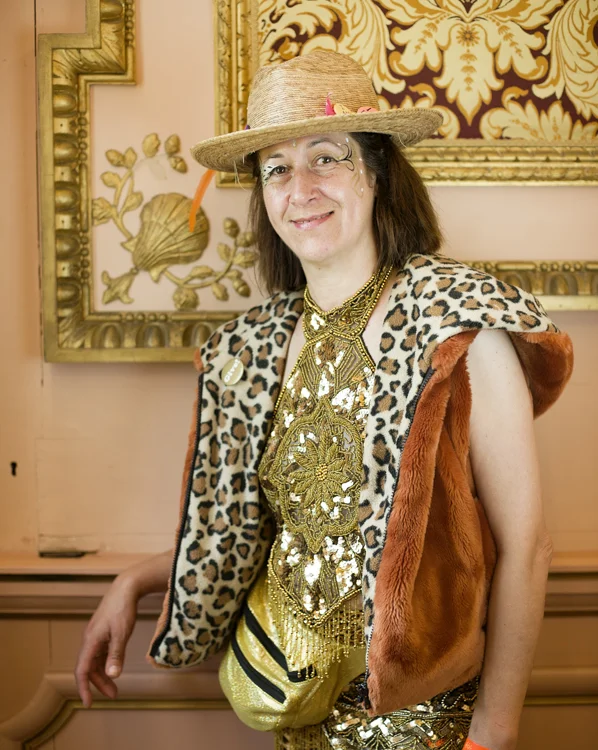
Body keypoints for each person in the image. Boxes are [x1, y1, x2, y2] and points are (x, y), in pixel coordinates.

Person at [75, 51, 574, 750]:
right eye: (277, 169)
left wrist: (493, 735)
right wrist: (136, 579)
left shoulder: (457, 326)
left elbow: (527, 546)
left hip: (431, 727)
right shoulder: (252, 350)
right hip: (299, 724)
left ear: (376, 171)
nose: (300, 188)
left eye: (326, 158)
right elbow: (287, 535)